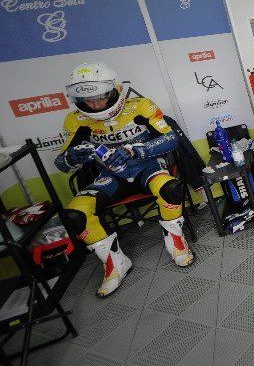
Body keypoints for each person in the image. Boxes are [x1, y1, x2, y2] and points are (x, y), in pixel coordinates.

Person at [55, 62, 193, 297]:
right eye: (88, 100)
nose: (96, 104)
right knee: (74, 214)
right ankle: (114, 263)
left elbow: (171, 139)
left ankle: (176, 241)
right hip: (110, 177)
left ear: (114, 90)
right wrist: (70, 157)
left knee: (170, 189)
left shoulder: (141, 106)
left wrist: (135, 150)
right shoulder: (76, 120)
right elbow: (61, 163)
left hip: (147, 168)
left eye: (101, 97)